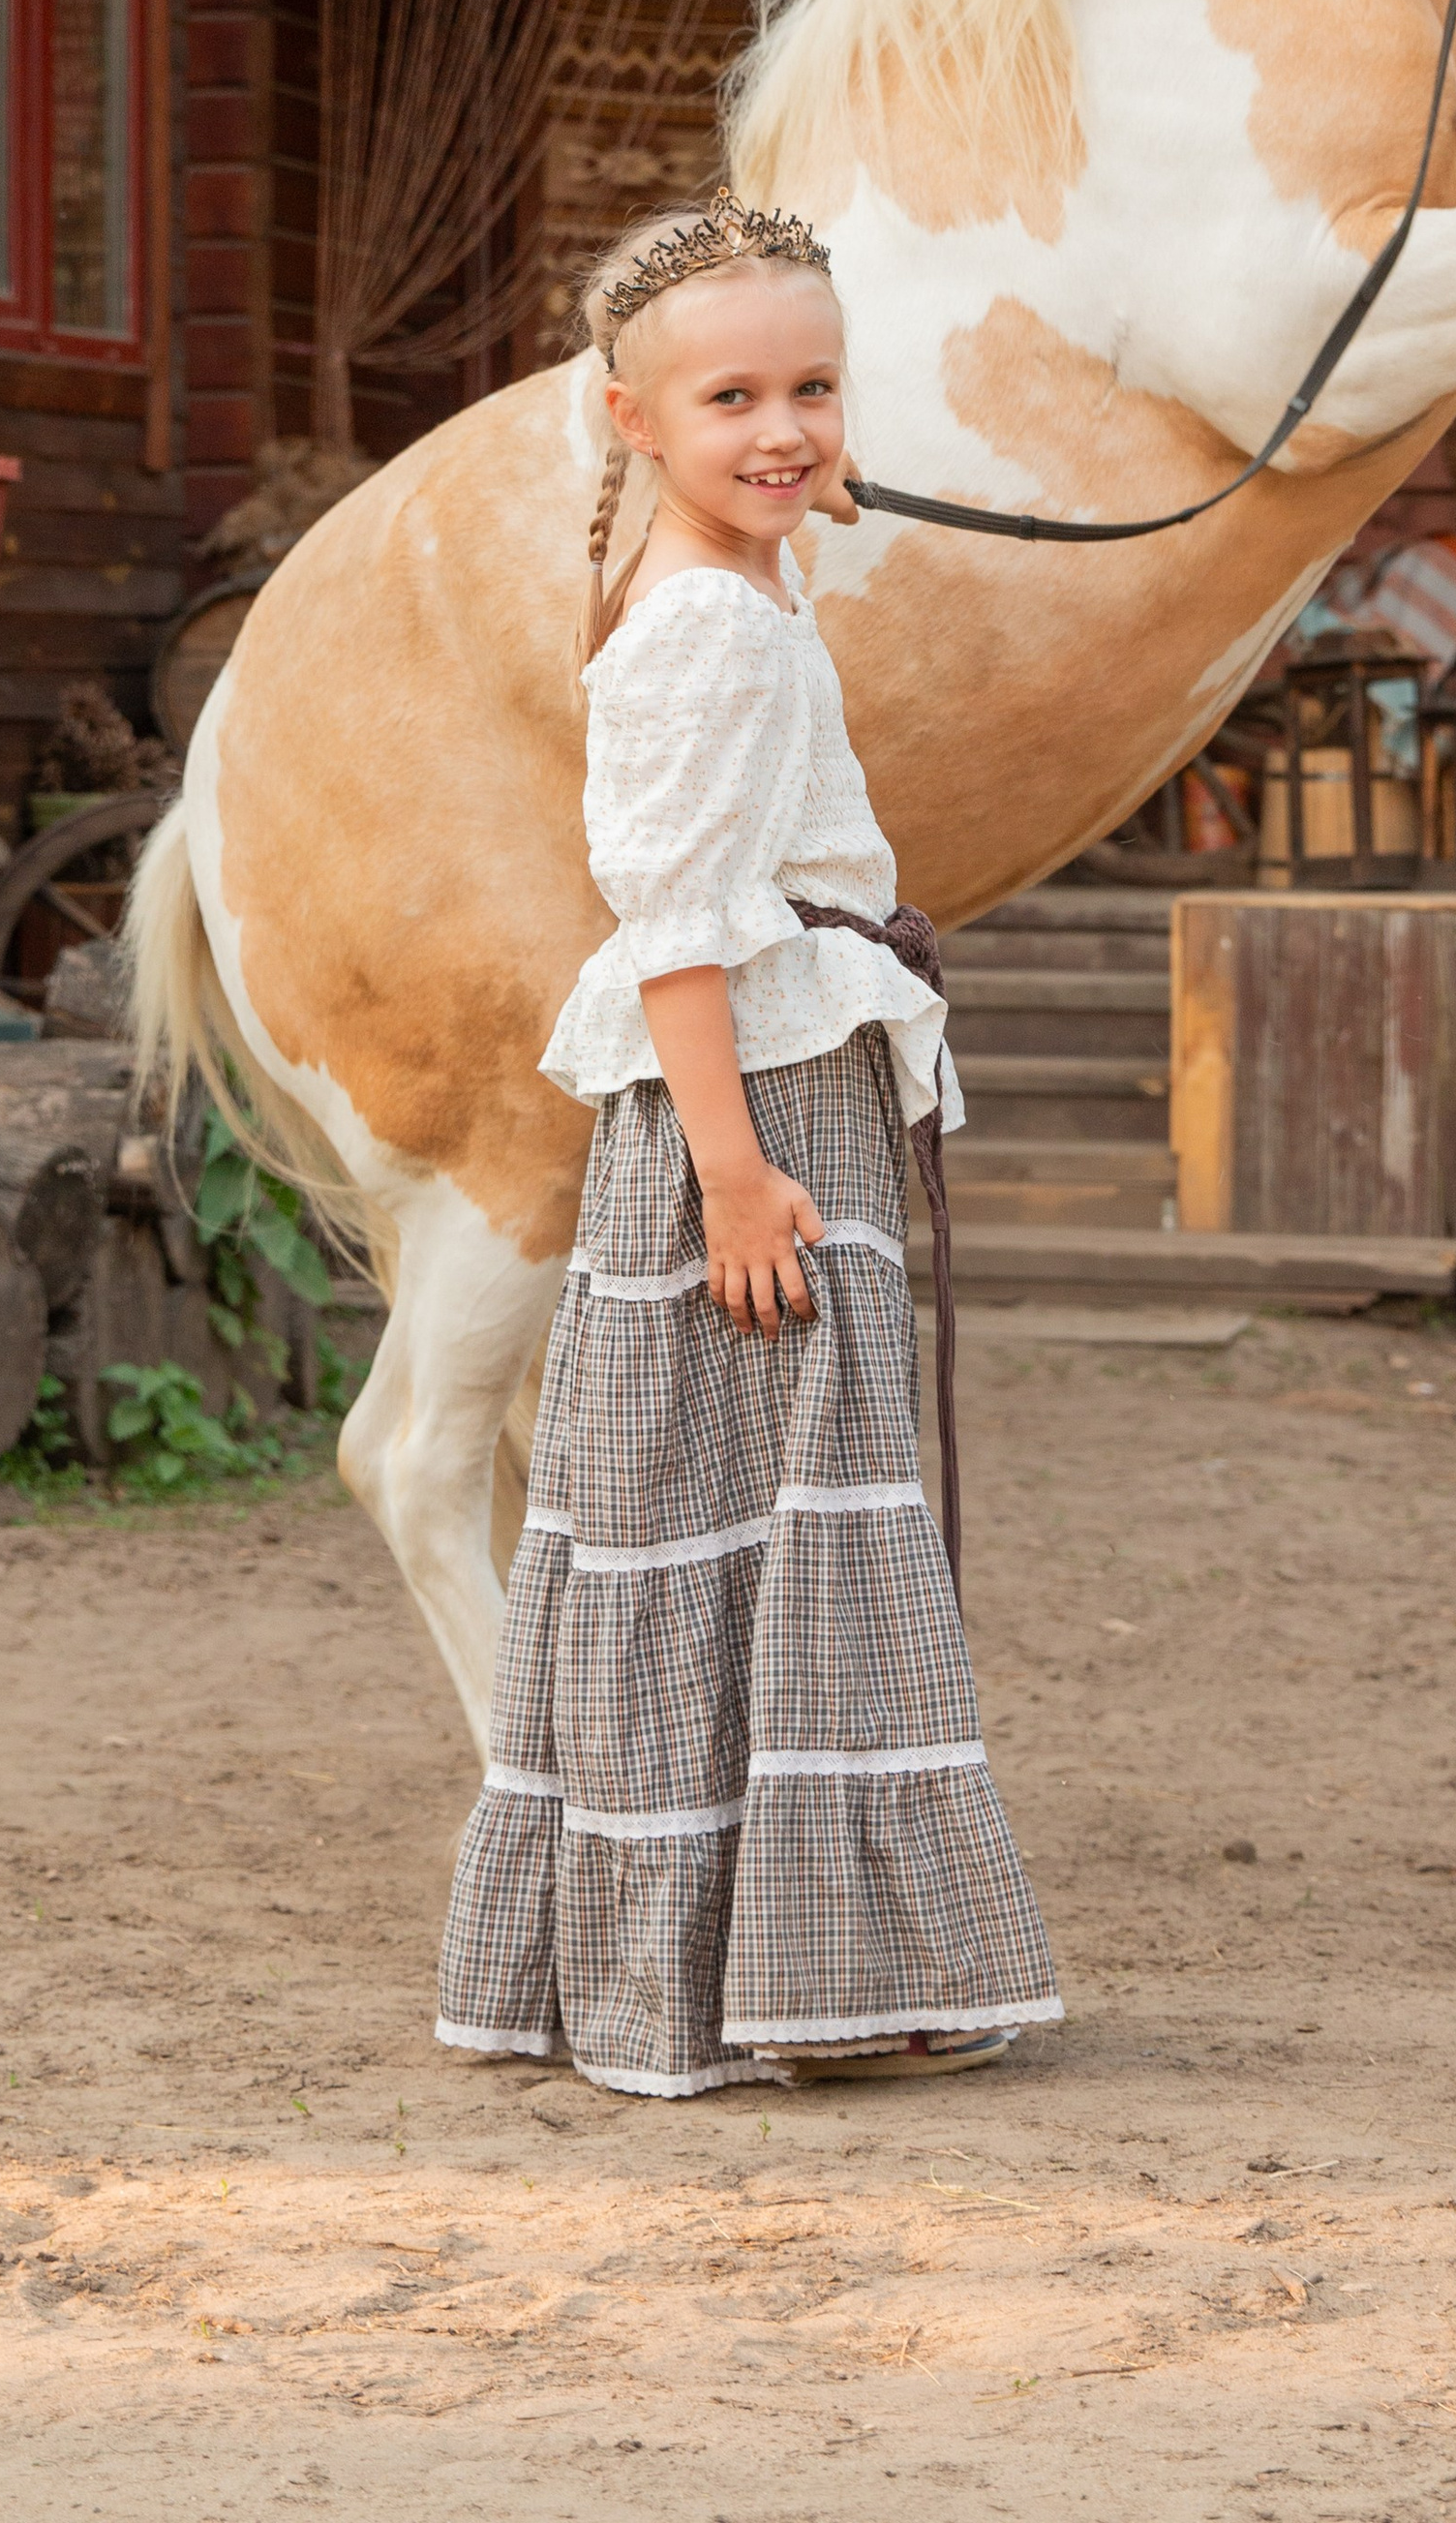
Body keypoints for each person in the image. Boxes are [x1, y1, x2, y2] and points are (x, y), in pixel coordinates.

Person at [436, 191, 1059, 2097]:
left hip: (790, 1086)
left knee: (753, 1529)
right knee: (768, 1531)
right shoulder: (699, 628)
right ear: (630, 419)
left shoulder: (730, 573)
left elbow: (747, 527)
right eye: (729, 398)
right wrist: (730, 1168)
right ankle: (794, 1972)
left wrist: (786, 499)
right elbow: (677, 924)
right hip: (752, 1111)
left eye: (813, 387)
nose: (782, 428)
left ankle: (774, 1962)